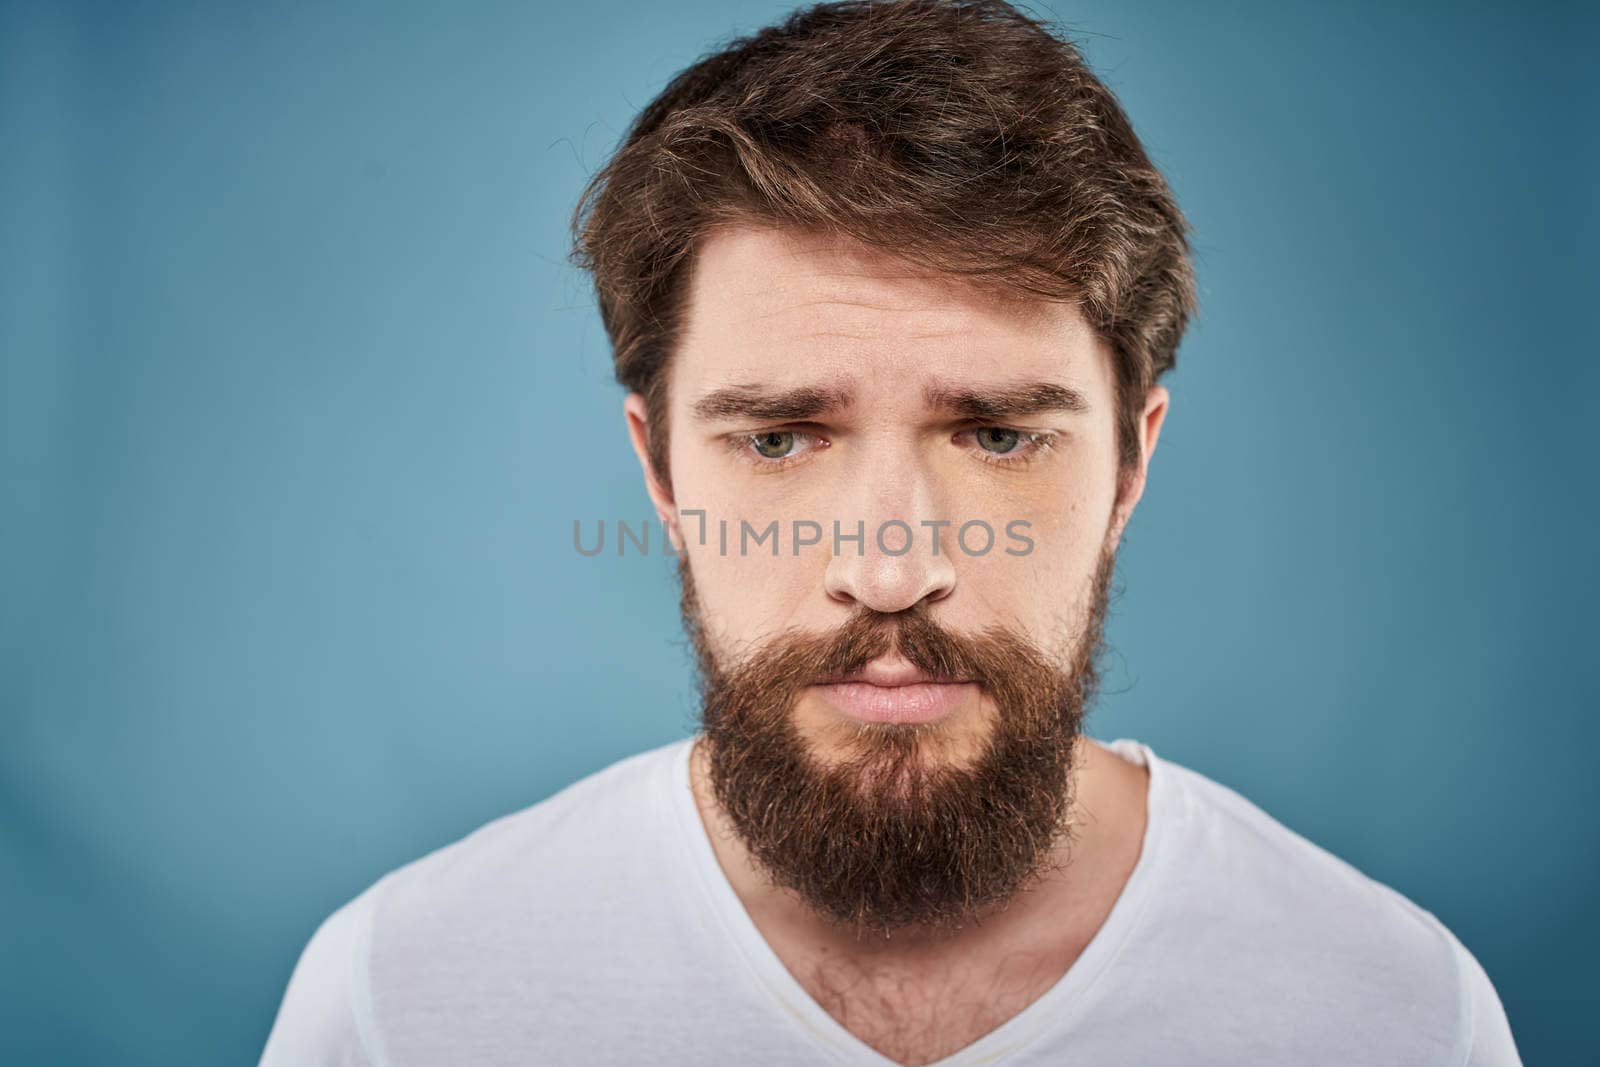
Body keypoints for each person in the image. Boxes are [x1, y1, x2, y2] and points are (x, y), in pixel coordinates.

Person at [258, 1, 1522, 1063]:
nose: (891, 570)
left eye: (998, 435)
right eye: (777, 438)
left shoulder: (1400, 1013)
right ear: (655, 467)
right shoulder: (400, 1003)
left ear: (1133, 461)